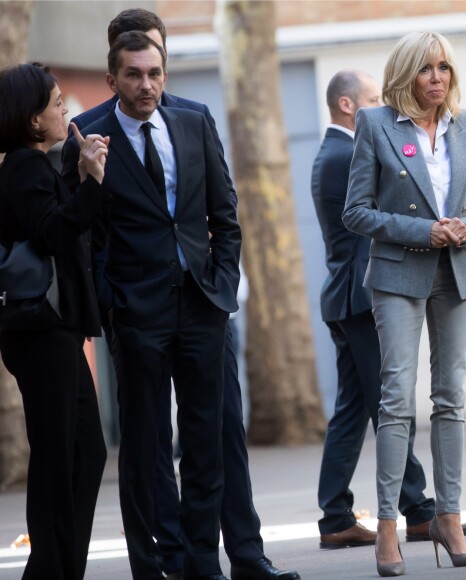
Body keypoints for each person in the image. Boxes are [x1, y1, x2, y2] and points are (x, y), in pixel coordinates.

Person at [61, 9, 300, 580]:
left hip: (202, 304)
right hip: (135, 312)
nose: (147, 84)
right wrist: (110, 302)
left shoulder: (194, 121)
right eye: (135, 74)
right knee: (146, 449)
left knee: (213, 438)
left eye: (156, 73)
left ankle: (213, 561)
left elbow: (226, 212)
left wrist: (221, 282)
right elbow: (83, 233)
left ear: (166, 71)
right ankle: (161, 563)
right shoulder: (87, 134)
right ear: (114, 74)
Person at [311, 69, 466, 549]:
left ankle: (337, 514)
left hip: (356, 294)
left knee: (354, 407)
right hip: (370, 292)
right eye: (370, 98)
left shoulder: (337, 149)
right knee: (391, 402)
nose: (380, 105)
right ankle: (416, 509)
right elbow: (366, 214)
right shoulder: (347, 149)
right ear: (349, 106)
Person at [0, 63, 109, 579]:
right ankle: (49, 571)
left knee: (83, 454)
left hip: (53, 333)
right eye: (56, 100)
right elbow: (52, 232)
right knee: (59, 458)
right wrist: (90, 183)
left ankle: (60, 568)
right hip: (41, 334)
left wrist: (75, 169)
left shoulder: (34, 164)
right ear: (30, 117)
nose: (64, 106)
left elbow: (53, 217)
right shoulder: (21, 166)